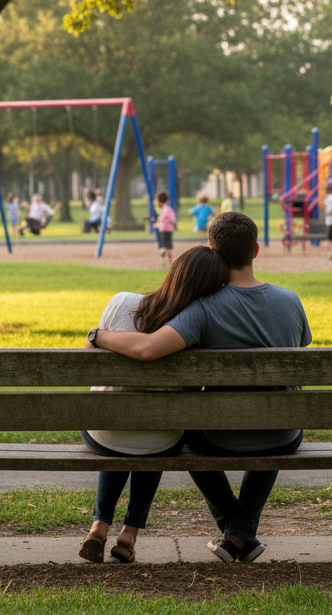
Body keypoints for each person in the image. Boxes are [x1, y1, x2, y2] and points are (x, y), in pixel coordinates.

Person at [90, 212, 311, 563]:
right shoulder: (291, 300)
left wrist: (97, 335)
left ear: (212, 250)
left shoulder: (203, 309)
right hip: (284, 432)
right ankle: (239, 533)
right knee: (276, 416)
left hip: (221, 434)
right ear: (255, 250)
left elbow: (148, 349)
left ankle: (235, 529)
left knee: (187, 435)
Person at [79, 246, 230, 563]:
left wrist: (98, 335)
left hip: (102, 432)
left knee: (118, 422)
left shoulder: (121, 302)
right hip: (160, 439)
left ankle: (99, 525)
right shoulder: (195, 329)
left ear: (174, 271)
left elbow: (88, 360)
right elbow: (189, 394)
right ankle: (129, 533)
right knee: (157, 433)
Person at [154, 192, 176, 267]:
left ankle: (163, 260)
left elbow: (163, 219)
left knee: (163, 245)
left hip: (163, 229)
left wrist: (158, 224)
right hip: (169, 230)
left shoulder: (163, 209)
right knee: (169, 246)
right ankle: (170, 261)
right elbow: (172, 219)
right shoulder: (169, 209)